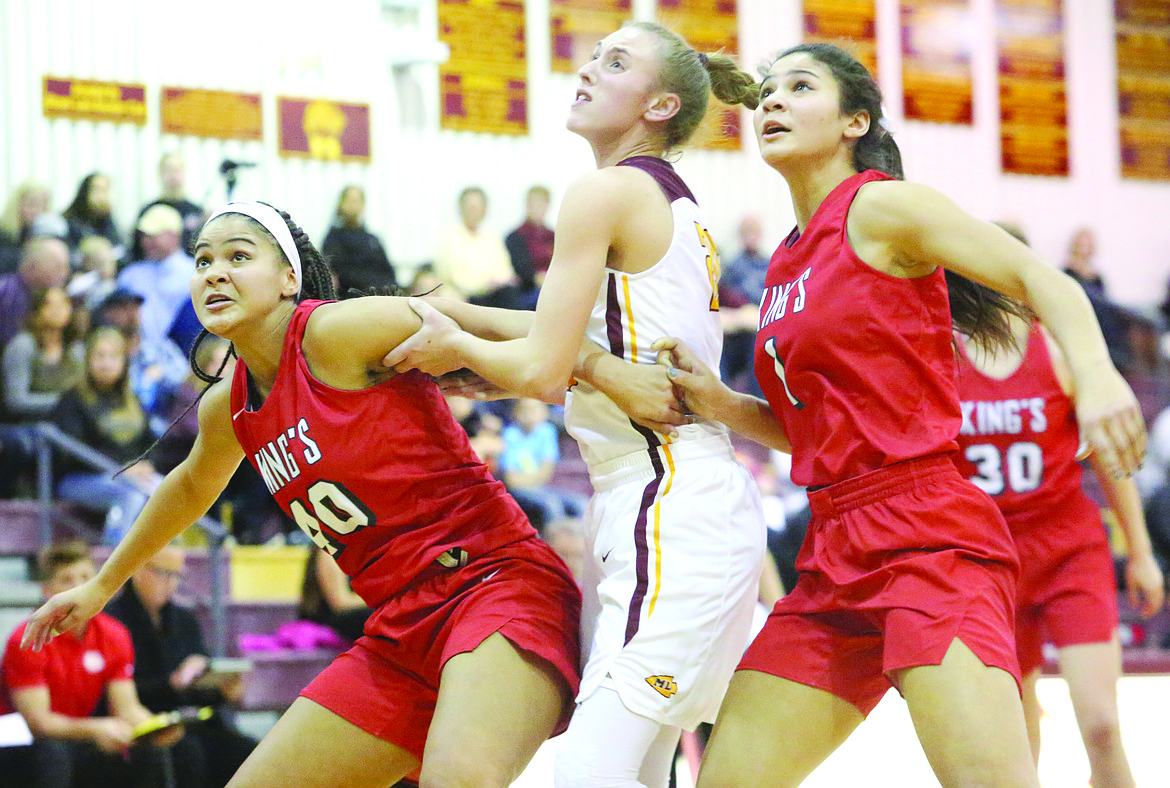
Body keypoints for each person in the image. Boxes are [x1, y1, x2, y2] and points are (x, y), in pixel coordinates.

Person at [632, 42, 1146, 788]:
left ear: (854, 121)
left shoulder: (881, 206)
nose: (772, 101)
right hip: (833, 550)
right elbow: (821, 432)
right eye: (768, 91)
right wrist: (722, 406)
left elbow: (1039, 276)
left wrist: (1096, 376)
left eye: (799, 88)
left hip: (927, 540)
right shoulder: (784, 261)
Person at [21, 200, 582, 788]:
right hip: (399, 628)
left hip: (491, 585)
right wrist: (102, 584)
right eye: (203, 259)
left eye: (239, 256)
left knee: (457, 780)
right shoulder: (229, 405)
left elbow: (506, 325)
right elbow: (186, 486)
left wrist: (619, 367)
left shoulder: (336, 332)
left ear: (290, 277)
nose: (214, 271)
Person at [385, 22, 767, 788]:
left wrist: (454, 348)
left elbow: (541, 365)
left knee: (587, 775)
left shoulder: (603, 191)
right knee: (642, 770)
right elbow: (563, 339)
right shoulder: (671, 200)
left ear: (659, 104)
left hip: (668, 500)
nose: (589, 69)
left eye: (615, 62)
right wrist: (457, 311)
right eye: (594, 55)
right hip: (680, 500)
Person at [953, 305, 1165, 788]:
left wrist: (1141, 551)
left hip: (1068, 550)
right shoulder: (944, 355)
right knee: (1017, 745)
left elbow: (1110, 456)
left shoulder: (1056, 350)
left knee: (1102, 727)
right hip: (989, 562)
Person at [0, 539, 197, 788]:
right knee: (52, 754)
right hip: (22, 742)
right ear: (46, 590)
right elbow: (39, 723)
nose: (77, 587)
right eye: (67, 580)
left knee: (152, 750)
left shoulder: (114, 633)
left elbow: (126, 706)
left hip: (76, 738)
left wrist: (153, 728)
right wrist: (96, 729)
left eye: (85, 578)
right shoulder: (28, 639)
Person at [106, 544, 259, 788]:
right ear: (135, 568)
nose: (171, 583)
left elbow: (198, 683)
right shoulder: (113, 621)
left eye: (177, 575)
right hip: (148, 721)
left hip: (192, 720)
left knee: (249, 751)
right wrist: (172, 684)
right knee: (189, 754)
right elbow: (120, 693)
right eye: (162, 573)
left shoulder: (185, 619)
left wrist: (222, 689)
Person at [51, 326, 159, 544]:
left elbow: (152, 442)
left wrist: (147, 464)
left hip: (128, 476)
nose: (106, 363)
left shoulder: (132, 400)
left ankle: (158, 557)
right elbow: (74, 452)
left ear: (123, 362)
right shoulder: (71, 400)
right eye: (99, 355)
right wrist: (122, 468)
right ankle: (112, 558)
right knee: (130, 496)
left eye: (113, 356)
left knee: (169, 489)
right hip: (80, 478)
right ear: (88, 360)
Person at [119, 204, 198, 349]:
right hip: (140, 354)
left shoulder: (195, 273)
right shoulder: (131, 275)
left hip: (186, 352)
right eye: (144, 236)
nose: (146, 242)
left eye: (153, 236)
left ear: (174, 235)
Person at [2, 285, 84, 422]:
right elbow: (16, 400)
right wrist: (63, 403)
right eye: (49, 304)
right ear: (37, 311)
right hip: (29, 424)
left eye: (63, 303)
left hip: (68, 421)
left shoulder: (75, 348)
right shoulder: (23, 345)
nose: (57, 309)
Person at [434, 186, 520, 308]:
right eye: (470, 207)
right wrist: (485, 283)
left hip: (492, 294)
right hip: (464, 297)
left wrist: (495, 282)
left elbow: (505, 272)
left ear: (484, 210)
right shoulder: (450, 237)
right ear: (461, 209)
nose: (473, 212)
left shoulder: (492, 237)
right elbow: (456, 277)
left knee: (510, 295)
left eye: (477, 207)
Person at [717, 214, 768, 396]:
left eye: (754, 231)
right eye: (747, 232)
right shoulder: (730, 269)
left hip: (763, 330)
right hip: (737, 333)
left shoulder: (771, 265)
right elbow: (723, 306)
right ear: (740, 235)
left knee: (760, 345)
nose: (751, 236)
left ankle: (760, 406)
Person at [320, 185, 396, 297]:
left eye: (357, 201)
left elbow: (388, 270)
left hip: (381, 295)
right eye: (350, 201)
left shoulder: (372, 239)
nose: (353, 205)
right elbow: (341, 273)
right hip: (352, 297)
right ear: (341, 204)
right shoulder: (333, 238)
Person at [0, 236, 70, 349]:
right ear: (34, 265)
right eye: (58, 267)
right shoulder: (4, 293)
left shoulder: (59, 295)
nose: (65, 274)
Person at [134, 152, 206, 258]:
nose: (173, 175)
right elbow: (136, 250)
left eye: (177, 170)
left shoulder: (196, 212)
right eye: (169, 170)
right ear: (160, 173)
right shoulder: (149, 211)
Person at [298, 547, 372, 643]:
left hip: (355, 613)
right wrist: (384, 597)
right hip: (330, 618)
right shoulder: (329, 552)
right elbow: (340, 602)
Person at [504, 185, 555, 308]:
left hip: (554, 287)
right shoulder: (515, 237)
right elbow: (522, 272)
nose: (537, 208)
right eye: (534, 204)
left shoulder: (554, 236)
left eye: (542, 204)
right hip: (528, 291)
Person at [61, 172, 123, 258]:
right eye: (98, 190)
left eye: (106, 190)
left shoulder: (106, 218)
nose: (103, 196)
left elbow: (119, 248)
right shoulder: (67, 221)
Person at [0, 179, 52, 274]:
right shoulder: (4, 233)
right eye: (32, 204)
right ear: (17, 205)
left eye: (43, 206)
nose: (38, 210)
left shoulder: (48, 233)